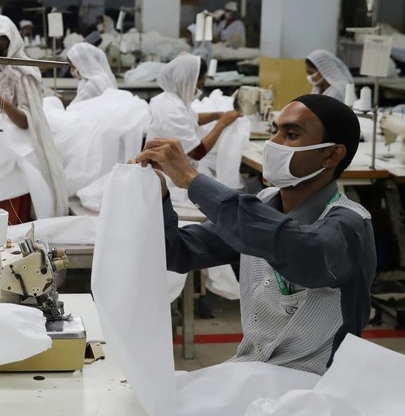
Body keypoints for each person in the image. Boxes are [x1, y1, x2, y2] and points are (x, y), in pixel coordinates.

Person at [136, 94, 375, 375]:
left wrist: (191, 180)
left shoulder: (349, 223)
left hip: (315, 385)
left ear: (331, 154)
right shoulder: (261, 204)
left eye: (291, 135)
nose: (273, 144)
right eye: (275, 131)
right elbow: (178, 251)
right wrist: (159, 197)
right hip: (254, 371)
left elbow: (301, 250)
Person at [0, 13, 69, 221]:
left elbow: (27, 123)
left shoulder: (21, 72)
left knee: (6, 217)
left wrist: (5, 106)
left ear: (9, 45)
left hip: (12, 152)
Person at [148, 53, 240, 163]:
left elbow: (192, 118)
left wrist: (217, 115)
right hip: (168, 174)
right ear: (187, 81)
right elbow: (197, 152)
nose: (199, 91)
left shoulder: (171, 99)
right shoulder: (171, 110)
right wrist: (222, 123)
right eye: (198, 86)